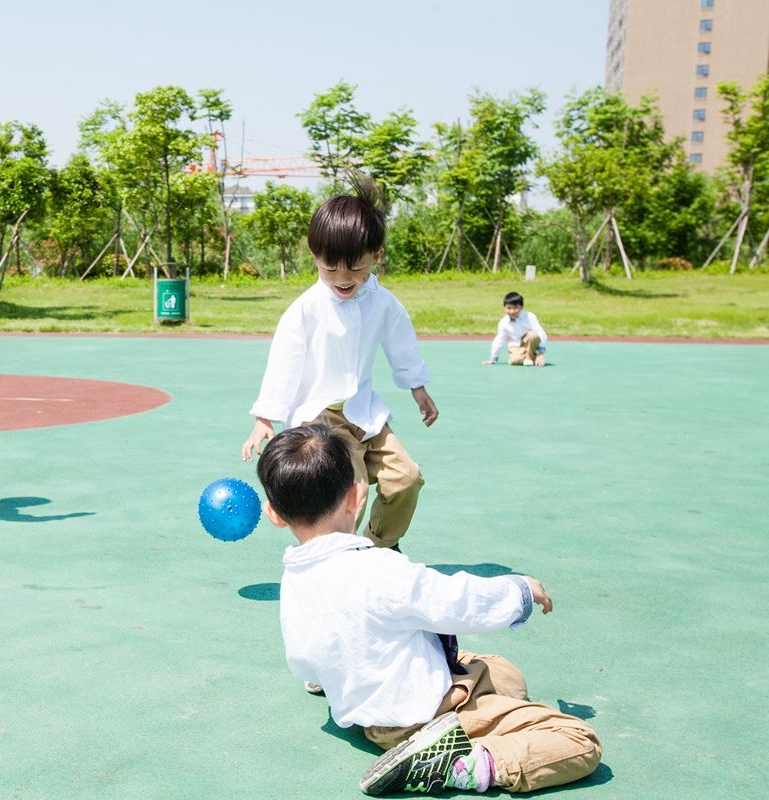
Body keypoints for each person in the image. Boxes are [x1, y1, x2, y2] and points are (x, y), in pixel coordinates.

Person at [256, 424, 601, 796]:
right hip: (420, 712)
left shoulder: (294, 580)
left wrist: (332, 677)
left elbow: (305, 660)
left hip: (368, 710)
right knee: (578, 740)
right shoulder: (379, 569)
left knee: (504, 673)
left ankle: (458, 731)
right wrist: (520, 592)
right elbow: (454, 601)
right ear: (357, 496)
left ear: (274, 514)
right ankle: (464, 765)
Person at [241, 175, 437, 551]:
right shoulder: (306, 309)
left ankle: (382, 548)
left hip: (365, 414)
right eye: (330, 269)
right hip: (323, 422)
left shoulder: (382, 301)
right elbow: (285, 361)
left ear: (377, 255)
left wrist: (418, 387)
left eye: (355, 269)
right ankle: (337, 561)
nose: (343, 280)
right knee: (353, 492)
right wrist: (264, 417)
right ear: (315, 256)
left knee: (407, 478)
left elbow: (401, 343)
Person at [483, 292, 548, 367]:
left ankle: (529, 357)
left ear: (522, 307)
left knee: (532, 335)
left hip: (530, 344)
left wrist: (541, 353)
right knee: (515, 361)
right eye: (509, 308)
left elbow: (541, 333)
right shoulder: (503, 323)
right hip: (515, 346)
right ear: (504, 308)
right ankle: (530, 357)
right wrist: (492, 358)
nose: (512, 311)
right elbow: (499, 340)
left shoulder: (530, 316)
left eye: (515, 308)